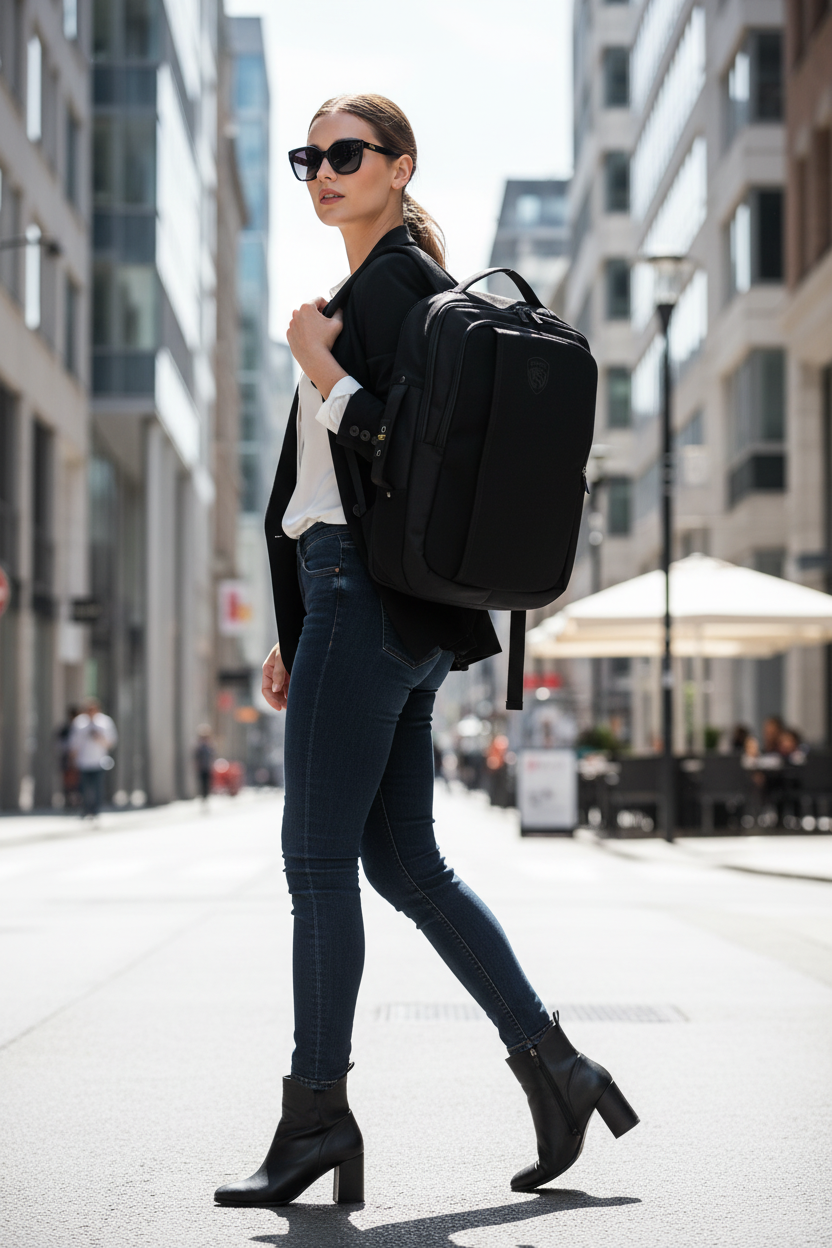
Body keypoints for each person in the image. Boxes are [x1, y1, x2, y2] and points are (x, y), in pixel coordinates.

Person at [214, 93, 638, 1211]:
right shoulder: (375, 290)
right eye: (309, 156)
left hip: (362, 601)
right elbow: (337, 490)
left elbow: (401, 452)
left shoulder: (393, 289)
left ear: (400, 167)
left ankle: (317, 1116)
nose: (323, 171)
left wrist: (319, 366)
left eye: (346, 153)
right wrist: (295, 631)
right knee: (404, 866)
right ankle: (557, 1068)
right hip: (373, 610)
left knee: (317, 865)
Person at [69, 697, 117, 819]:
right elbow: (74, 743)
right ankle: (85, 810)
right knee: (84, 788)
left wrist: (99, 738)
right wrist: (73, 758)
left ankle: (96, 810)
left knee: (97, 787)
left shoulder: (105, 722)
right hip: (83, 761)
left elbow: (111, 741)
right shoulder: (79, 723)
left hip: (99, 760)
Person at [194, 724, 215, 803]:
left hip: (208, 767)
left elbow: (212, 756)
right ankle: (203, 796)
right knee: (202, 782)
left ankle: (206, 796)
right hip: (202, 767)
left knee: (207, 783)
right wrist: (197, 765)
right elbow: (196, 756)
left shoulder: (210, 746)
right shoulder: (199, 747)